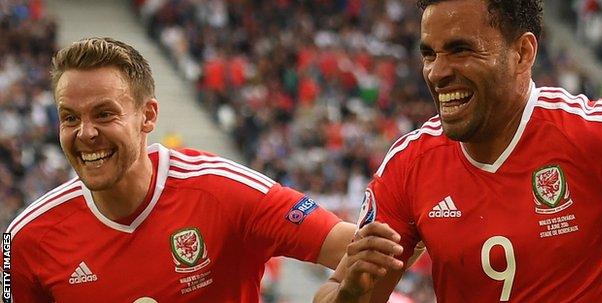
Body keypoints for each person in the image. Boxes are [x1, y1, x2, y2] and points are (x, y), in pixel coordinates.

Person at [314, 0, 602, 302]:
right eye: (429, 54)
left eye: (460, 50)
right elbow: (333, 293)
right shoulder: (410, 166)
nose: (437, 72)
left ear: (522, 53)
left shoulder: (598, 135)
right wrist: (351, 291)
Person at [4, 37, 355, 302]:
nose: (86, 133)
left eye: (104, 114)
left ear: (148, 115)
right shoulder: (26, 238)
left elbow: (357, 247)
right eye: (70, 118)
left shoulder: (225, 192)